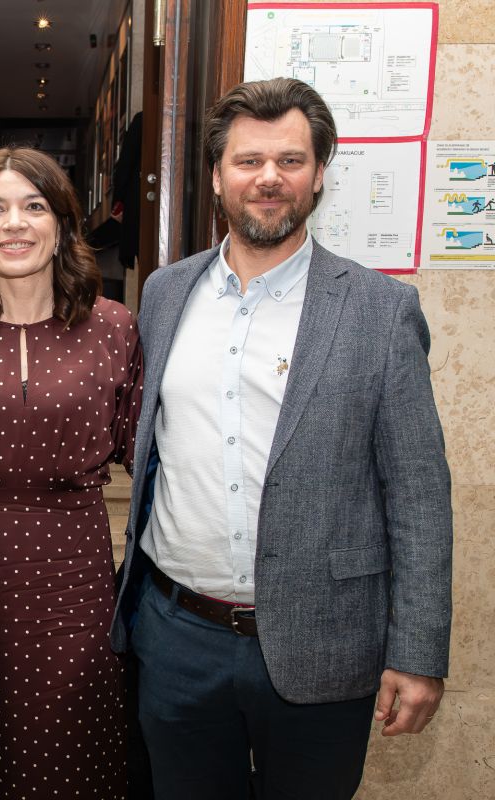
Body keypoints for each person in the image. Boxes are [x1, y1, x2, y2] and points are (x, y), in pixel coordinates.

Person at [111, 77, 452, 800]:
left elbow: (419, 494)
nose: (269, 177)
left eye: (290, 160)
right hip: (177, 640)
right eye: (248, 160)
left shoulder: (380, 311)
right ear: (216, 176)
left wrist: (418, 652)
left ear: (319, 173)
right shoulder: (166, 294)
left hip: (326, 642)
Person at [0, 146, 143, 799]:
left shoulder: (113, 327)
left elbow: (145, 451)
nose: (14, 223)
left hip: (73, 580)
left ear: (62, 225)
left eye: (33, 206)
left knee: (69, 751)